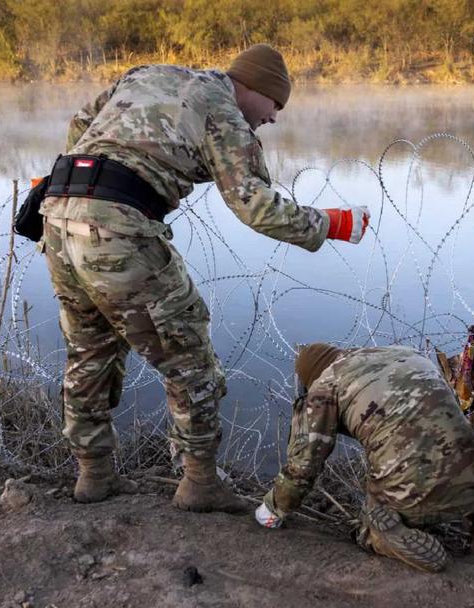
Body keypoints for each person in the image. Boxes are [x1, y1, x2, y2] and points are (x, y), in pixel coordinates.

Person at [39, 44, 371, 511]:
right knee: (189, 358)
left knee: (88, 353)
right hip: (118, 229)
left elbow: (81, 122)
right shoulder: (222, 110)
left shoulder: (149, 74)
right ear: (254, 88)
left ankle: (94, 475)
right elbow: (255, 205)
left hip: (56, 218)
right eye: (276, 105)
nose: (274, 118)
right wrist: (333, 224)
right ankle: (199, 484)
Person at [254, 343, 474, 572]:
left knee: (369, 527)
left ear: (310, 376)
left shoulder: (325, 386)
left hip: (421, 486)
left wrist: (274, 508)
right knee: (460, 458)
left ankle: (385, 538)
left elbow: (304, 465)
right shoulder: (401, 353)